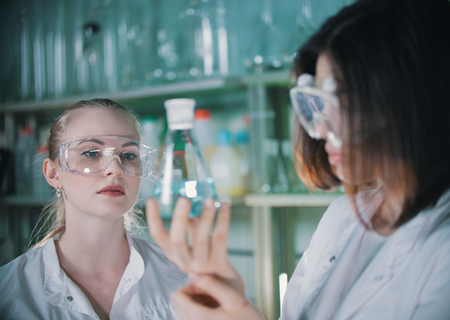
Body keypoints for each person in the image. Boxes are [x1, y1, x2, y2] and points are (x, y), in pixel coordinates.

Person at [145, 0, 450, 319]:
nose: (318, 129)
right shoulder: (342, 216)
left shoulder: (443, 250)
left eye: (343, 99)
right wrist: (236, 307)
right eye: (315, 103)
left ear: (417, 96)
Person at [0, 99, 188, 319]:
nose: (115, 169)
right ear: (53, 174)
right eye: (91, 153)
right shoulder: (9, 293)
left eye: (128, 155)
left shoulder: (181, 278)